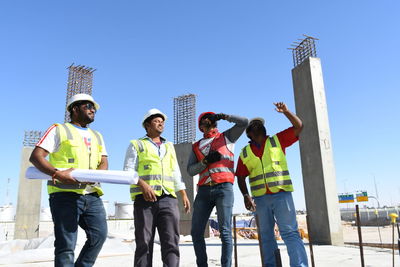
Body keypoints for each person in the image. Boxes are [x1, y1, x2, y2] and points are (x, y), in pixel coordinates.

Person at [30, 93, 108, 267]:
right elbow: (36, 156)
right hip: (64, 194)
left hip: (92, 195)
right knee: (66, 244)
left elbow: (104, 161)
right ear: (74, 109)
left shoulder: (97, 135)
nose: (92, 110)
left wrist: (96, 175)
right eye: (88, 106)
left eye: (94, 107)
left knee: (99, 236)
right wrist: (57, 173)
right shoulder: (59, 129)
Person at [236, 102, 308, 267]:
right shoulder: (245, 153)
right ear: (249, 134)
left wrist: (286, 112)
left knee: (290, 233)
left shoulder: (278, 140)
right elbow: (240, 177)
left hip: (281, 195)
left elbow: (299, 126)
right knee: (266, 236)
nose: (258, 125)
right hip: (260, 200)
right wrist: (246, 196)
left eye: (260, 124)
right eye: (254, 125)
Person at [123, 108, 190, 267]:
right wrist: (142, 184)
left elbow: (175, 171)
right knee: (144, 242)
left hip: (168, 199)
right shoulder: (137, 144)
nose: (160, 123)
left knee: (171, 241)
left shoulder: (169, 146)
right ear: (147, 125)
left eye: (162, 121)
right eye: (156, 121)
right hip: (144, 200)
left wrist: (183, 194)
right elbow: (128, 171)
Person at [187, 112, 248, 267]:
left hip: (224, 189)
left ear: (215, 122)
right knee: (196, 232)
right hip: (203, 192)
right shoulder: (196, 146)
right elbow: (190, 170)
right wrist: (205, 161)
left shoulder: (227, 137)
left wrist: (225, 116)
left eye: (211, 118)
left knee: (225, 232)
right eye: (203, 119)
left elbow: (244, 122)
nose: (207, 120)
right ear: (200, 126)